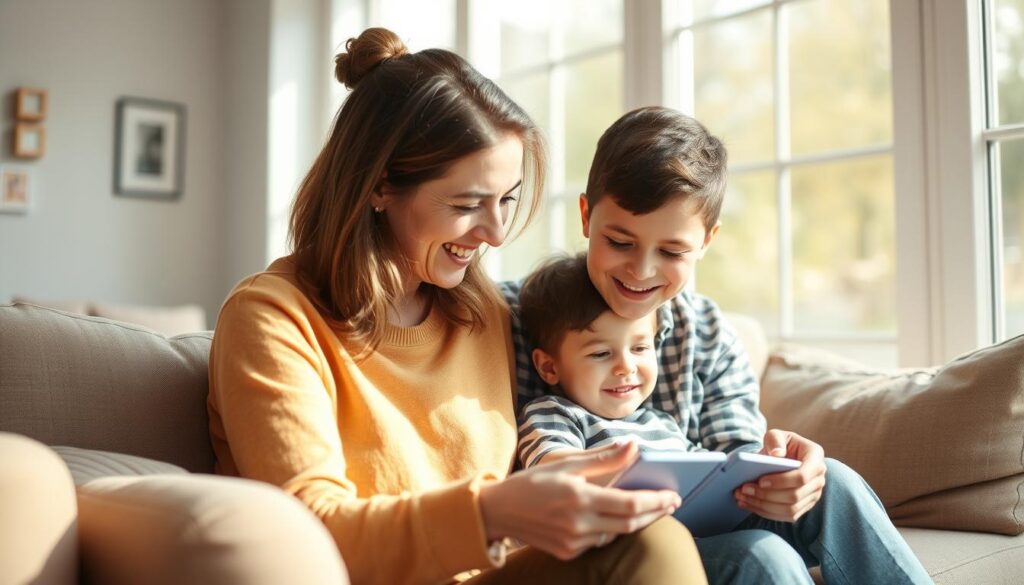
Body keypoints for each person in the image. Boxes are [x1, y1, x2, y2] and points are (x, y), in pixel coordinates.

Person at [207, 28, 708, 585]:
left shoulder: (483, 311)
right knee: (654, 548)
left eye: (507, 200)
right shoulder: (274, 319)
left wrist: (768, 458)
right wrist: (490, 513)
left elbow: (603, 354)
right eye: (469, 204)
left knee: (743, 554)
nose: (495, 233)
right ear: (378, 187)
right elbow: (308, 532)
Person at [502, 106, 933, 584]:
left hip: (709, 529)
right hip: (624, 551)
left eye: (671, 252)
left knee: (834, 480)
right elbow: (548, 464)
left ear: (706, 241)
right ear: (586, 216)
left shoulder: (706, 333)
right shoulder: (524, 317)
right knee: (764, 556)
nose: (640, 271)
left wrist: (784, 480)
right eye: (620, 242)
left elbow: (737, 458)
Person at [515, 252, 693, 473]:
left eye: (640, 348)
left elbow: (709, 469)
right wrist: (620, 464)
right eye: (600, 353)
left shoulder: (662, 423)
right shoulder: (553, 414)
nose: (626, 367)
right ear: (548, 367)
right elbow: (550, 465)